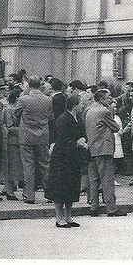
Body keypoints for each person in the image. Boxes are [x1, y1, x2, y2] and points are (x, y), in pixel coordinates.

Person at [45, 92, 89, 228]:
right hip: (62, 159)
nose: (83, 105)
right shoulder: (63, 119)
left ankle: (68, 216)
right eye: (81, 103)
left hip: (73, 159)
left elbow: (82, 133)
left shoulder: (78, 119)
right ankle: (59, 218)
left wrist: (82, 140)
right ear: (74, 105)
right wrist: (77, 142)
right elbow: (62, 139)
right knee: (60, 188)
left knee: (71, 187)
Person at [85, 89, 126, 217]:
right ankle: (111, 208)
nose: (111, 100)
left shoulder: (89, 110)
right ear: (101, 99)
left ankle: (94, 206)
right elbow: (116, 127)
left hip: (91, 148)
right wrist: (112, 112)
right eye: (108, 98)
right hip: (104, 148)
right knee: (107, 179)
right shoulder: (104, 111)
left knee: (94, 179)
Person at [14, 76, 53, 204]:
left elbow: (16, 113)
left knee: (28, 166)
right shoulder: (48, 100)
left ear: (29, 85)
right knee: (44, 165)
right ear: (40, 86)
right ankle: (50, 193)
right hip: (42, 135)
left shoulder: (23, 99)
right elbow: (51, 116)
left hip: (26, 135)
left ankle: (29, 195)